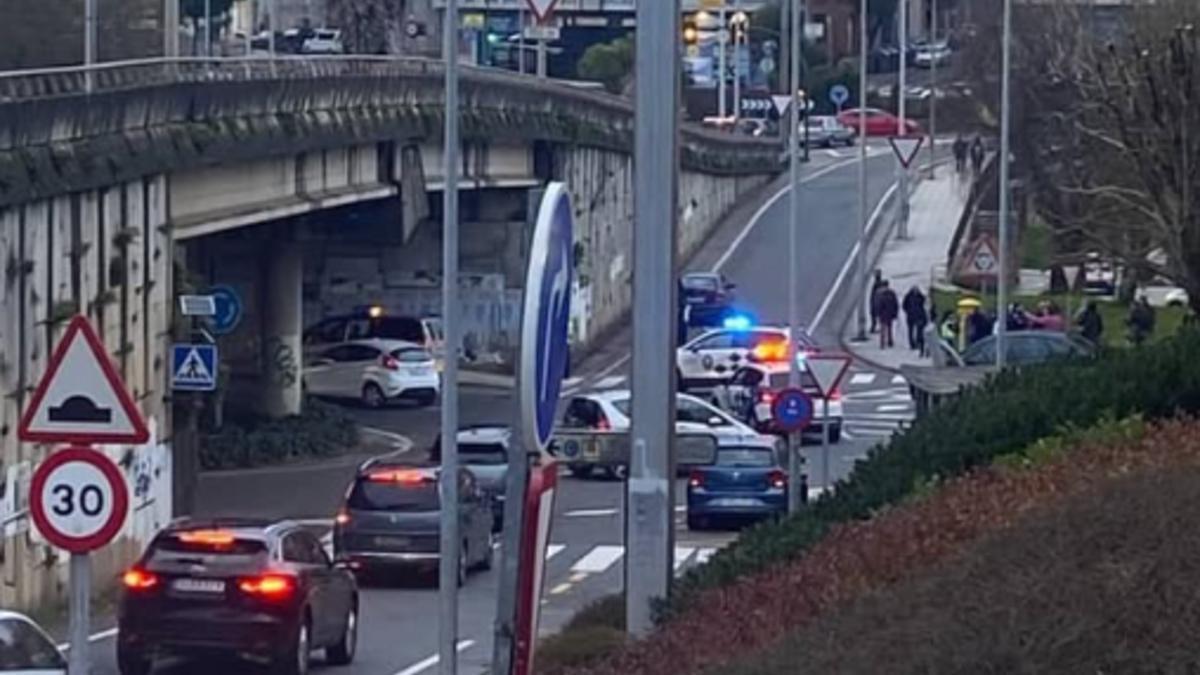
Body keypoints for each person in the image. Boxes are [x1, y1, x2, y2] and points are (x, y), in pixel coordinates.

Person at [902, 286, 929, 351]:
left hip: (917, 316)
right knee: (911, 331)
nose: (915, 292)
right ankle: (912, 344)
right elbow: (904, 306)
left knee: (918, 330)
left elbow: (924, 304)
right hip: (911, 316)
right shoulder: (908, 296)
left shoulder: (920, 297)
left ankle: (917, 343)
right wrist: (908, 311)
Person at [875, 281, 900, 349]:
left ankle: (884, 342)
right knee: (888, 328)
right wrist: (895, 313)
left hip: (884, 314)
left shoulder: (879, 294)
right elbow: (895, 304)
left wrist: (877, 313)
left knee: (885, 329)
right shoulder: (891, 293)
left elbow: (876, 304)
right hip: (888, 313)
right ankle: (888, 341)